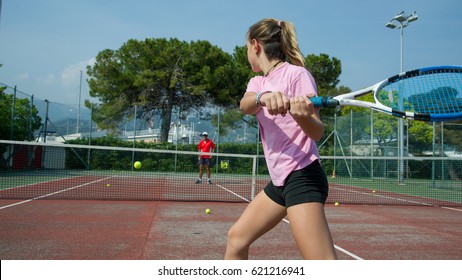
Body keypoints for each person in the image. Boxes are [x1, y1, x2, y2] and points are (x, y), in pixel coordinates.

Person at [224, 18, 337, 260]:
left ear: (255, 45)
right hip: (279, 181)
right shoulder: (258, 82)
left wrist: (301, 115)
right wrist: (263, 97)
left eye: (246, 48)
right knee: (236, 239)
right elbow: (245, 105)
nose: (247, 54)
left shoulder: (298, 75)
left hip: (303, 175)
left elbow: (316, 132)